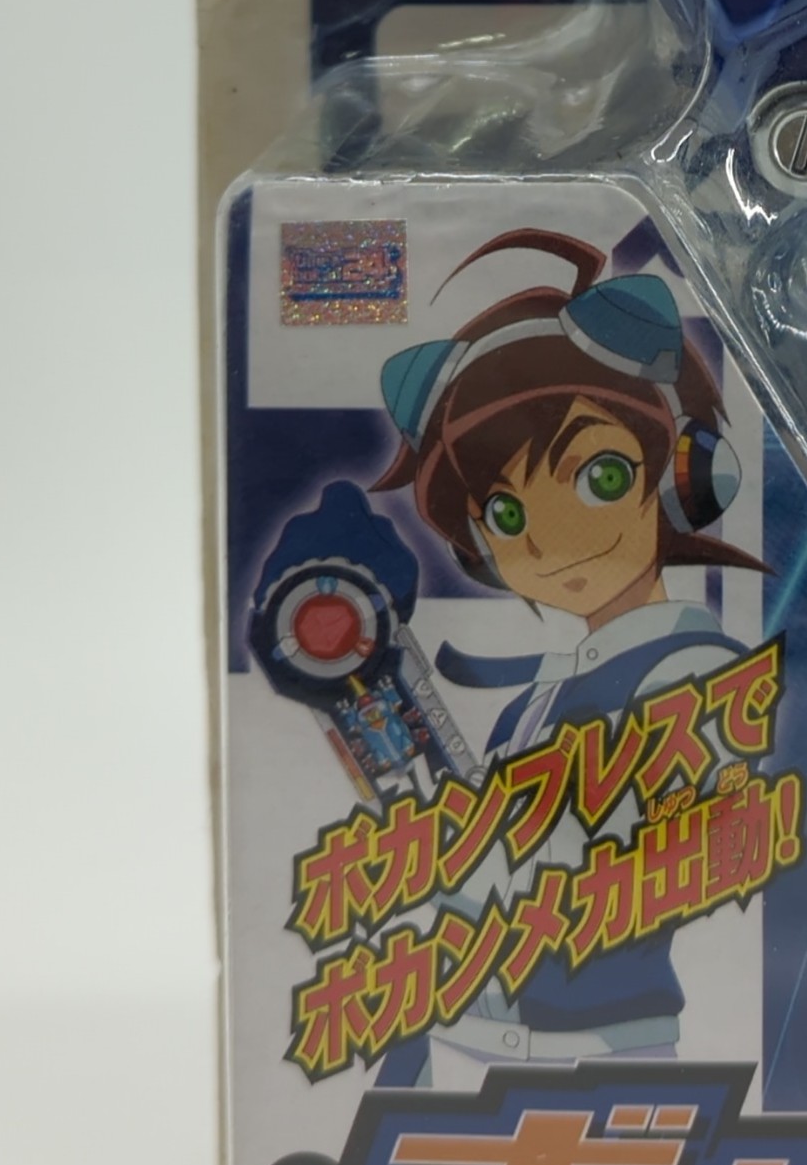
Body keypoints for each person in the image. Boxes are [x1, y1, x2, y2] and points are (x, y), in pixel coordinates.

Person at [258, 227, 765, 1085]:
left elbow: (569, 874)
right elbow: (468, 871)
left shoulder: (692, 674)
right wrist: (360, 687)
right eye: (505, 514)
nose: (546, 538)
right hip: (476, 1050)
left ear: (684, 476)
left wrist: (383, 696)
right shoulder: (540, 698)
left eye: (599, 478)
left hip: (603, 1062)